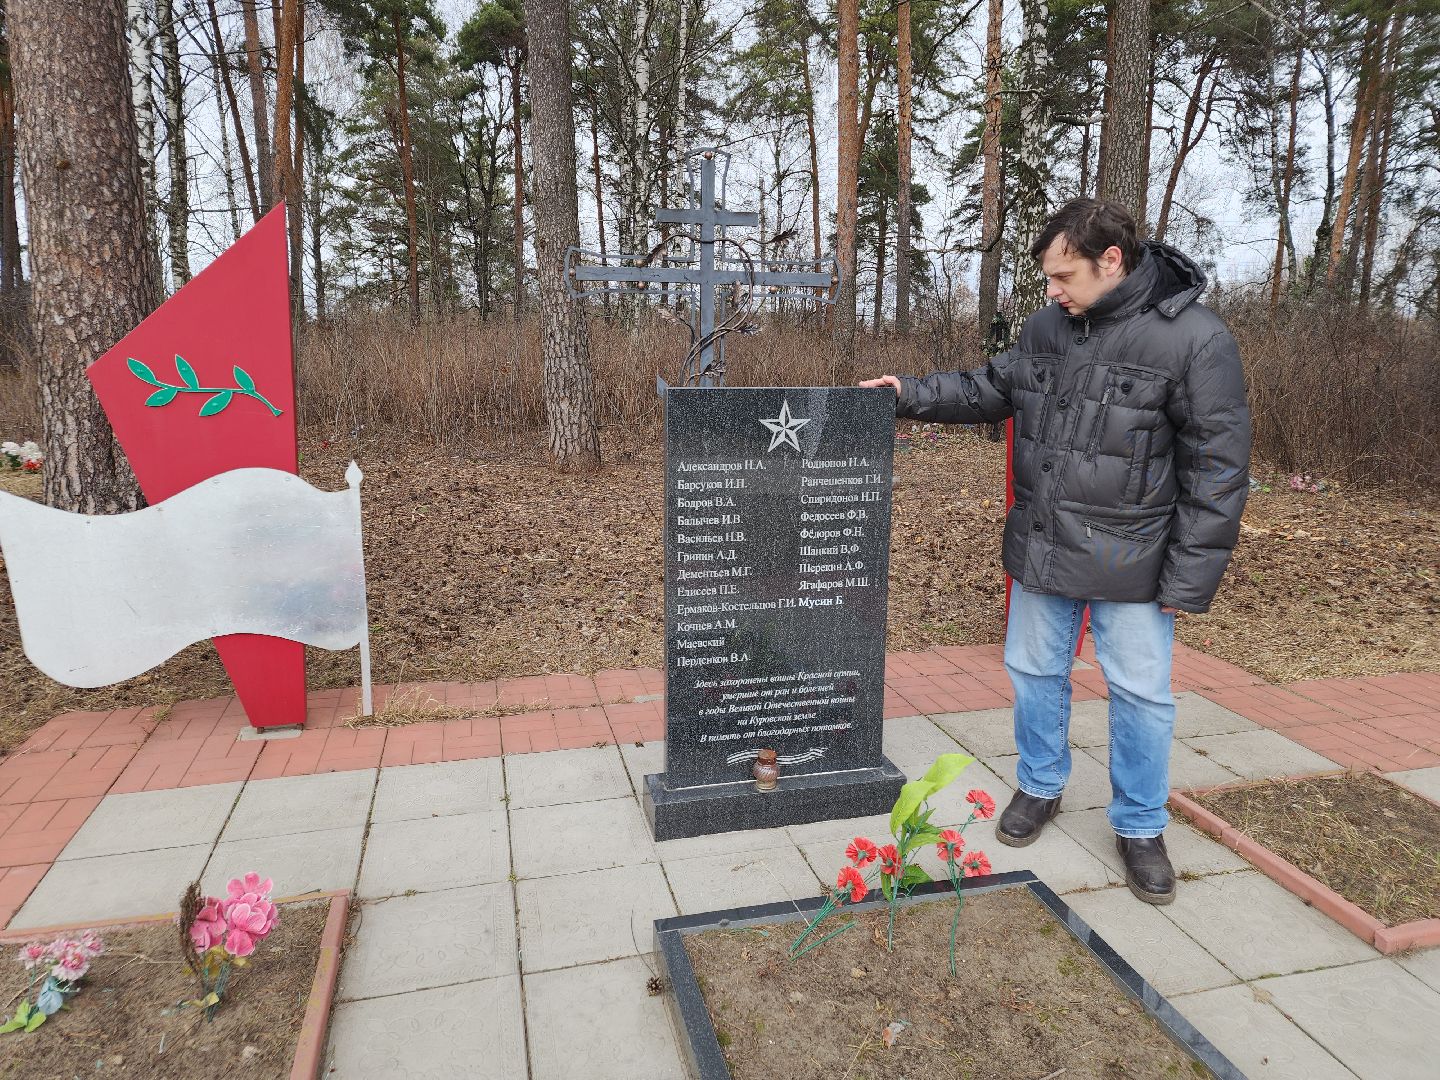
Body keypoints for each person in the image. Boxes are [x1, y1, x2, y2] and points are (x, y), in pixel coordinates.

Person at [861, 198, 1251, 904]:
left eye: (1063, 275)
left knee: (1140, 696)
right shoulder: (1048, 326)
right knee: (1035, 673)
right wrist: (906, 394)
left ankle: (1139, 825)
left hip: (1132, 560)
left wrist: (1189, 576)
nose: (1051, 291)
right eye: (1047, 277)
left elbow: (1217, 467)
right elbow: (989, 387)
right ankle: (1040, 786)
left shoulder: (1194, 339)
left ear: (1112, 260)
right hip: (1043, 546)